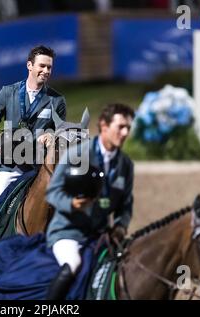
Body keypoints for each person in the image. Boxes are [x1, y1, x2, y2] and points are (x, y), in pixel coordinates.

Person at [44, 103, 135, 300]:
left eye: (128, 127)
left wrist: (121, 225)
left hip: (101, 235)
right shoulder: (76, 154)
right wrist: (71, 204)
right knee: (73, 264)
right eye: (121, 127)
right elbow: (52, 192)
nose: (126, 132)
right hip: (68, 233)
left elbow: (125, 204)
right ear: (104, 126)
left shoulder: (126, 164)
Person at [0, 45, 67, 233]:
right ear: (29, 65)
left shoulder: (57, 101)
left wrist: (51, 136)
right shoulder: (7, 93)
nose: (46, 71)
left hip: (38, 167)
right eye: (42, 66)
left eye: (49, 67)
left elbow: (60, 134)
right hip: (10, 166)